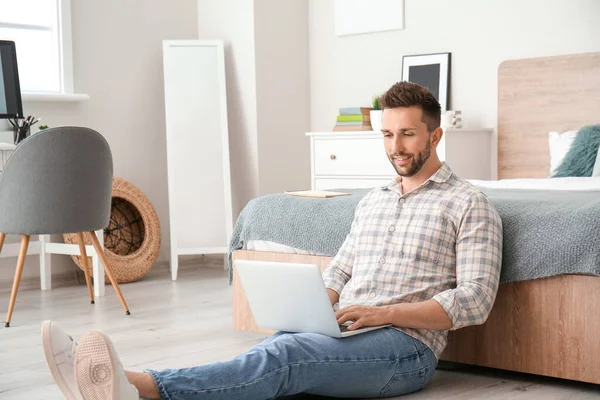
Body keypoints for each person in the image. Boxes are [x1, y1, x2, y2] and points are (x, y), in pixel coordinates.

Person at [42, 81, 503, 400]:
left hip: (406, 349)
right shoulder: (374, 200)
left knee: (286, 355)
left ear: (436, 134)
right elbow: (341, 269)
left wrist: (382, 313)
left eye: (407, 134)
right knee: (275, 351)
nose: (395, 147)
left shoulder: (468, 203)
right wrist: (315, 307)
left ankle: (135, 384)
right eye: (386, 134)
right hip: (346, 328)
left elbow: (475, 301)